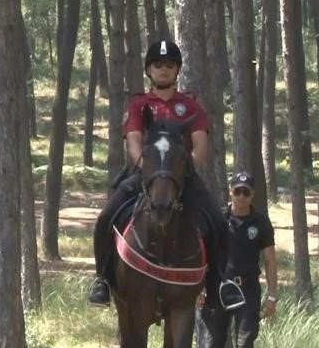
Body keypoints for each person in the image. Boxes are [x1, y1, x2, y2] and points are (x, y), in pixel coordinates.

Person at [87, 39, 239, 312]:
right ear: (149, 70)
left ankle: (220, 284)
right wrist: (151, 172)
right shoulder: (138, 105)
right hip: (146, 177)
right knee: (104, 219)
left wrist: (180, 174)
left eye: (169, 65)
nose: (163, 70)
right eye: (158, 65)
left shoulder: (190, 107)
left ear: (177, 70)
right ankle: (103, 280)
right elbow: (133, 141)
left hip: (182, 178)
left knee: (217, 222)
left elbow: (200, 144)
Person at [201, 172, 277, 348]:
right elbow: (203, 256)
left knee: (244, 347)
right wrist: (199, 288)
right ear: (229, 192)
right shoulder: (218, 221)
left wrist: (272, 297)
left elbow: (269, 260)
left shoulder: (261, 222)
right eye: (237, 191)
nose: (241, 196)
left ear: (252, 195)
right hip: (218, 290)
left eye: (246, 192)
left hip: (248, 291)